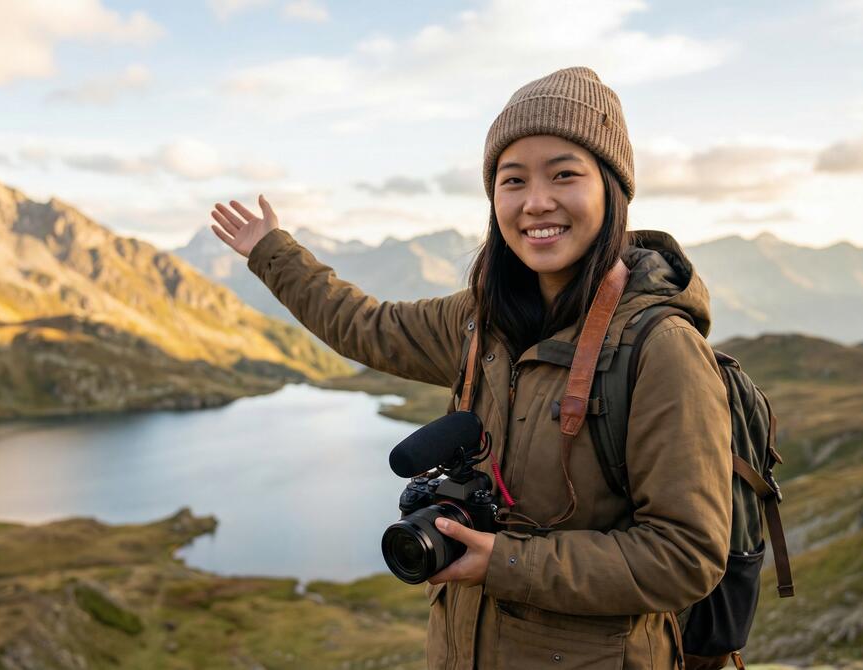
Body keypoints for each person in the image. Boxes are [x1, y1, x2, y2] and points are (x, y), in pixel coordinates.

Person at [209, 66, 732, 670]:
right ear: (494, 201)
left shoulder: (660, 348)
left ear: (611, 189)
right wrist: (273, 253)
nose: (536, 201)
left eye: (564, 174)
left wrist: (504, 563)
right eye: (513, 181)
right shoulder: (479, 321)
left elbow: (686, 555)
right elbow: (366, 325)